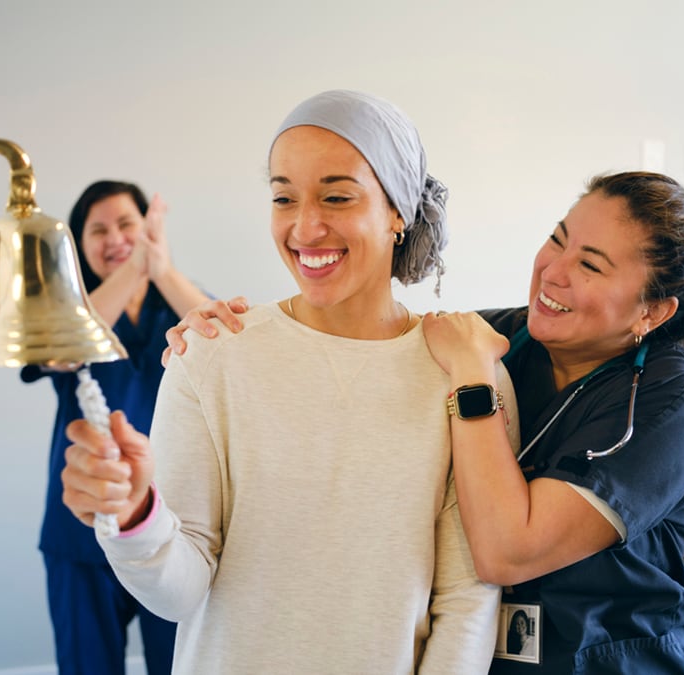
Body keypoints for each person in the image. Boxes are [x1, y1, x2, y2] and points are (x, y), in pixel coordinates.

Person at [169, 171, 684, 673]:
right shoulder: (515, 335)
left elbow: (506, 549)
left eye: (591, 262)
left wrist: (474, 381)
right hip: (494, 654)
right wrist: (224, 327)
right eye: (557, 236)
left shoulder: (674, 399)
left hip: (608, 659)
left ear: (651, 311)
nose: (553, 270)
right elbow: (371, 337)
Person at [59, 90, 511, 673]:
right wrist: (132, 514)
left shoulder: (463, 370)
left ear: (398, 211)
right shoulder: (212, 354)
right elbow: (178, 592)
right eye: (283, 197)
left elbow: (465, 603)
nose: (305, 227)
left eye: (337, 196)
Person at [20, 179, 210, 675]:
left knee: (177, 665)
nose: (115, 238)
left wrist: (159, 267)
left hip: (169, 530)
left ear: (150, 228)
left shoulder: (181, 303)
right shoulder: (67, 313)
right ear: (79, 247)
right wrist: (136, 264)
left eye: (127, 224)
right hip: (81, 531)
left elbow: (224, 345)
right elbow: (63, 349)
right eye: (97, 231)